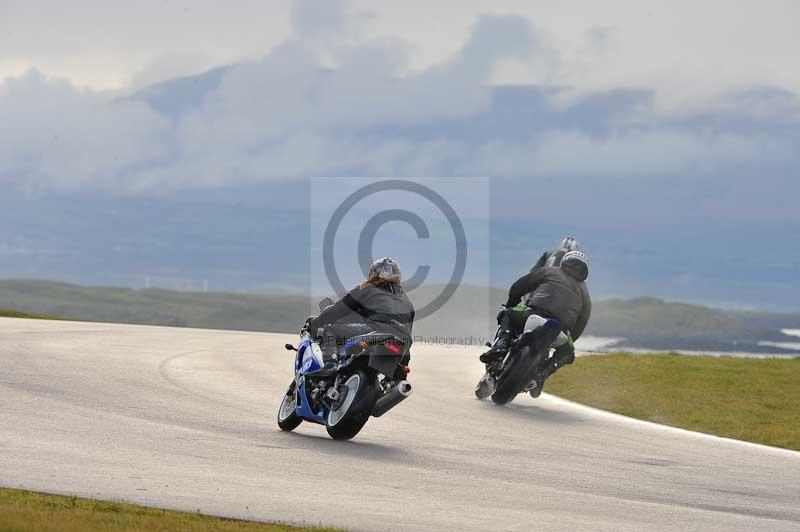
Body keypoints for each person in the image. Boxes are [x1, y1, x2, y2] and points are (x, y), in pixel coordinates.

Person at [481, 250, 591, 396]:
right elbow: (582, 322)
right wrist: (571, 338)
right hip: (560, 330)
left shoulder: (549, 271)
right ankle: (542, 374)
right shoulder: (585, 293)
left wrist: (510, 303)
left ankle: (500, 347)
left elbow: (519, 286)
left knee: (508, 314)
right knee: (567, 352)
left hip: (534, 314)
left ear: (564, 262)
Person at [308, 257, 415, 376]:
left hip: (377, 331)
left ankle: (330, 365)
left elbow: (338, 310)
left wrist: (315, 324)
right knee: (398, 376)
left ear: (374, 273)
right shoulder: (406, 300)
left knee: (329, 330)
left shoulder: (368, 288)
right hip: (403, 345)